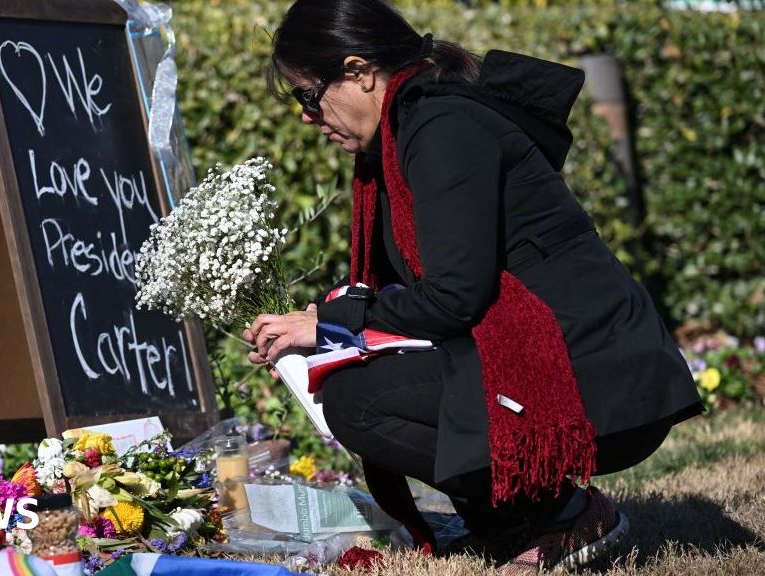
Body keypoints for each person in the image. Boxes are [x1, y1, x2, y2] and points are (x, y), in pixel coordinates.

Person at [242, 0, 704, 573]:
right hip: (572, 347)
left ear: (360, 72)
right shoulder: (410, 131)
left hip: (597, 365)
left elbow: (454, 295)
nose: (308, 117)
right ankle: (511, 521)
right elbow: (431, 284)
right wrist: (334, 312)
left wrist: (336, 322)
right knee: (352, 378)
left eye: (309, 96)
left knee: (358, 400)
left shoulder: (441, 129)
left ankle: (568, 513)